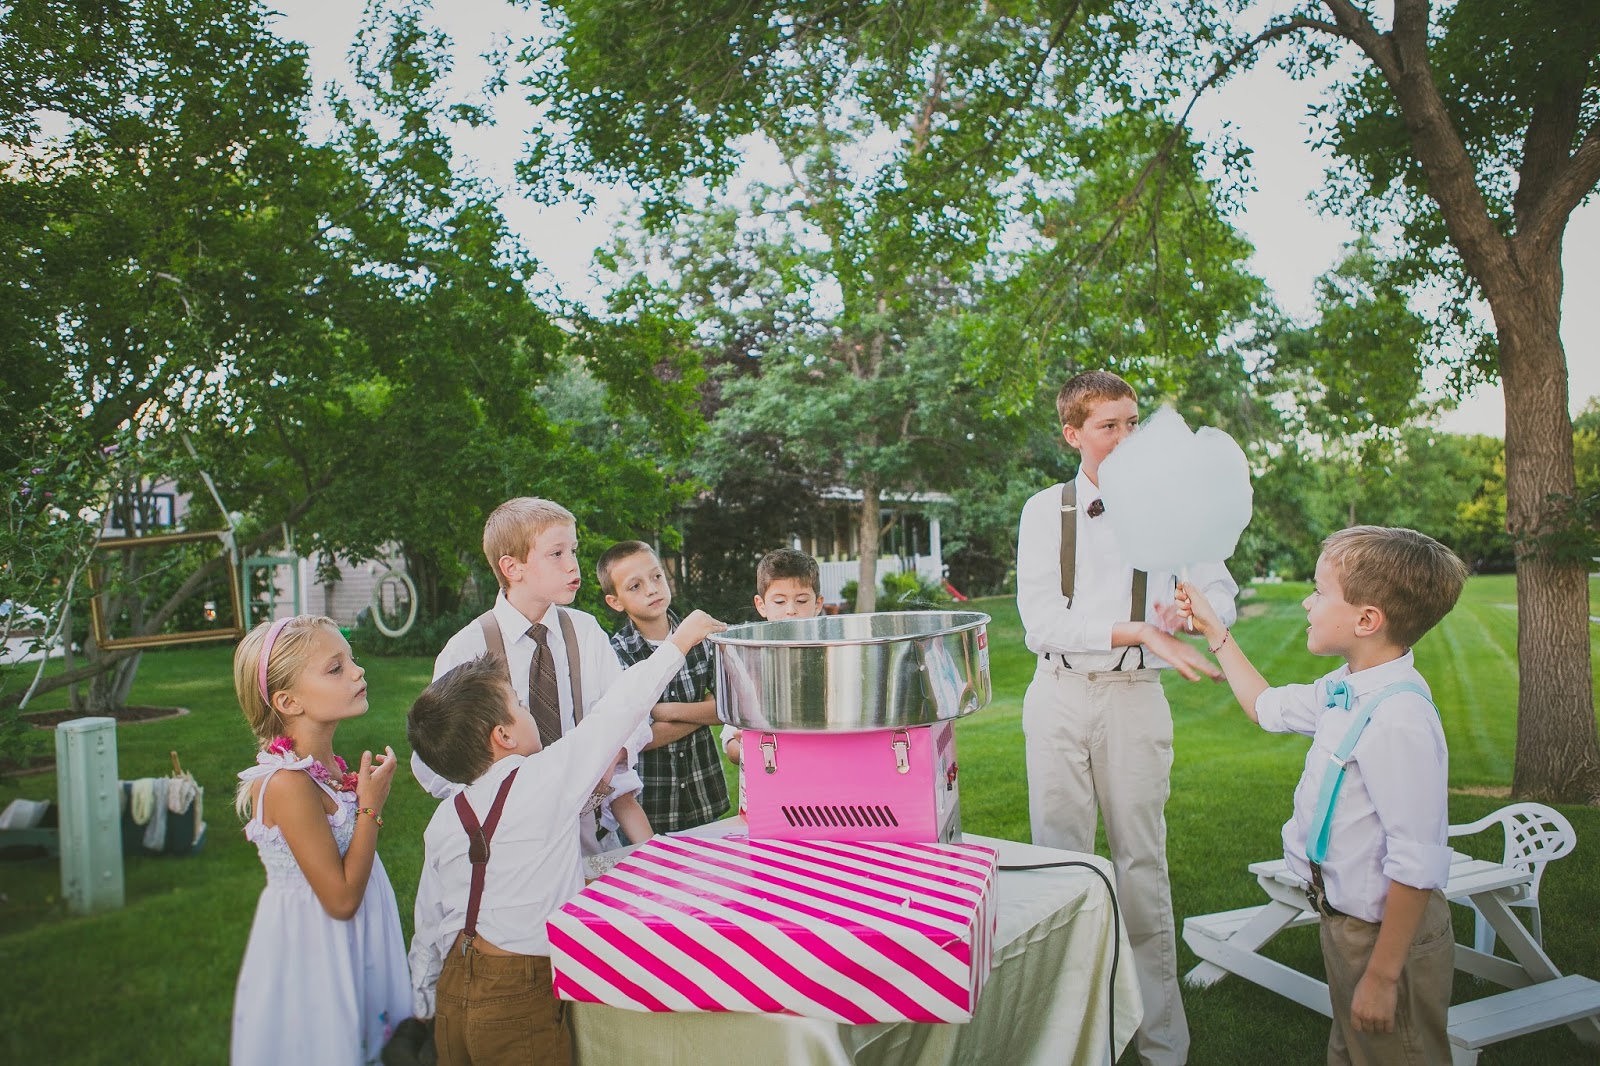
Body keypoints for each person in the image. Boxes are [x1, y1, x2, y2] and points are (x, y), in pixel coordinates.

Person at [1177, 527, 1467, 1066]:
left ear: (1366, 620)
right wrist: (1215, 629)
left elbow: (1416, 863)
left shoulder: (1398, 720)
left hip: (1385, 939)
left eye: (1319, 591)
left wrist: (1383, 976)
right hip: (1344, 925)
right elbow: (1265, 706)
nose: (1307, 603)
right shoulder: (1348, 687)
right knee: (1353, 1051)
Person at [1015, 370, 1237, 1066]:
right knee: (1061, 862)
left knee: (1141, 862)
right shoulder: (1043, 511)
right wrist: (1137, 628)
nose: (1125, 437)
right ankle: (1070, 1036)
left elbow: (1221, 590)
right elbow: (1041, 623)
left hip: (1136, 698)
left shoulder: (1177, 506)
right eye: (1108, 425)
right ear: (1072, 434)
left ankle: (1162, 1042)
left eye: (1132, 422)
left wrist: (1194, 614)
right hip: (1057, 694)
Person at [407, 610, 726, 1066]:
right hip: (519, 991)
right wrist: (679, 642)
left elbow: (429, 915)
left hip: (455, 985)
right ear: (503, 735)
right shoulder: (545, 780)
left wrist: (423, 999)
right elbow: (618, 711)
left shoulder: (445, 817)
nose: (528, 711)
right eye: (520, 705)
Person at [413, 497, 652, 857]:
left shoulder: (585, 631)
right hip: (510, 851)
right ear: (512, 567)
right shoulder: (467, 647)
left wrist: (610, 758)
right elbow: (435, 761)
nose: (573, 564)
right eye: (556, 554)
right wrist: (502, 804)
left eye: (573, 550)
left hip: (591, 838)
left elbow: (629, 712)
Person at [230, 615, 411, 1066]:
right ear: (288, 701)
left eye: (352, 659)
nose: (358, 671)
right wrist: (370, 807)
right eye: (336, 668)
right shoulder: (289, 784)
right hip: (317, 951)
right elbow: (341, 900)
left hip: (358, 943)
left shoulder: (325, 771)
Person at [597, 540, 729, 834]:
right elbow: (635, 739)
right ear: (615, 601)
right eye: (635, 586)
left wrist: (664, 711)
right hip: (651, 803)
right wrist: (702, 712)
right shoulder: (616, 654)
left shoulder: (701, 638)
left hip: (703, 792)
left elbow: (728, 709)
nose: (652, 589)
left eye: (656, 576)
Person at [722, 547, 825, 769]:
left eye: (801, 600)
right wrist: (748, 749)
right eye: (779, 601)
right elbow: (730, 743)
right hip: (771, 775)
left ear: (817, 604)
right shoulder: (749, 662)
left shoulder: (828, 657)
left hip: (823, 770)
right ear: (761, 605)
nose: (791, 610)